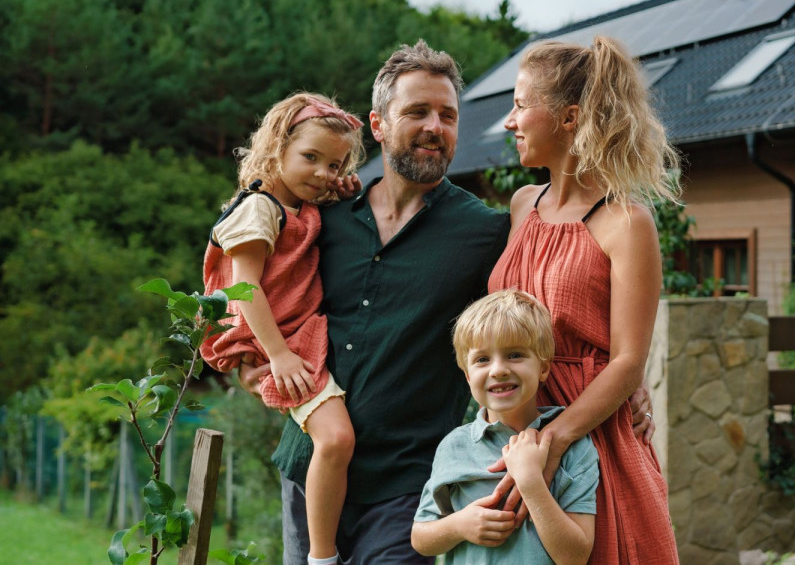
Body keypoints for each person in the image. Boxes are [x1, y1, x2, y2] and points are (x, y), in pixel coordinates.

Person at [238, 40, 511, 564]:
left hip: (409, 486)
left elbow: (536, 319)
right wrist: (253, 359)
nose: (435, 126)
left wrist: (629, 381)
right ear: (379, 124)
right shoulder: (321, 217)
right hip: (309, 469)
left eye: (448, 115)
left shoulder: (484, 232)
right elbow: (250, 283)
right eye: (417, 111)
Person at [487, 35, 681, 563]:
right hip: (512, 420)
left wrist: (553, 442)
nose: (510, 121)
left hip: (591, 437)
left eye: (522, 106)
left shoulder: (627, 222)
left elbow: (627, 360)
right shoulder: (523, 204)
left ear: (569, 118)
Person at [202, 93, 366, 565]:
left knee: (331, 440)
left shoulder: (297, 204)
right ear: (276, 148)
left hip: (291, 337)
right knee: (336, 439)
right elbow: (245, 288)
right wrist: (277, 355)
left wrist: (343, 191)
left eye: (334, 165)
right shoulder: (259, 209)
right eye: (310, 158)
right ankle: (321, 556)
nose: (322, 173)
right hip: (277, 341)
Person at [412, 288, 598, 564]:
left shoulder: (574, 445)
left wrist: (532, 482)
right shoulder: (455, 445)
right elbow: (420, 538)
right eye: (482, 359)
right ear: (467, 375)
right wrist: (459, 525)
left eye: (514, 355)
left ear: (543, 368)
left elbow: (575, 556)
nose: (498, 369)